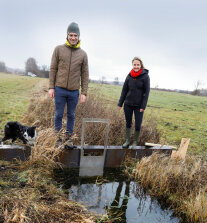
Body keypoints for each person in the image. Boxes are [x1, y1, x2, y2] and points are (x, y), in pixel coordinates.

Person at [49, 22, 89, 148]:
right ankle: (58, 138)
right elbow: (53, 69)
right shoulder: (58, 49)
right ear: (67, 36)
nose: (73, 37)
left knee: (71, 115)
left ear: (78, 37)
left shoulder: (83, 54)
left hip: (73, 91)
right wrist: (51, 87)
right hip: (59, 89)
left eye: (75, 35)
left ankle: (68, 139)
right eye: (71, 35)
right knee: (58, 115)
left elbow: (85, 74)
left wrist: (84, 93)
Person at [118, 57, 150, 149]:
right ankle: (127, 141)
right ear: (132, 65)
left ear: (141, 65)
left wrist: (143, 106)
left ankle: (135, 142)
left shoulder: (145, 76)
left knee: (137, 124)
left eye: (138, 65)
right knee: (128, 123)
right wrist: (120, 103)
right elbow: (124, 90)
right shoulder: (129, 76)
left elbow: (147, 92)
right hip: (128, 104)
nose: (136, 66)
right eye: (134, 64)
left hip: (139, 106)